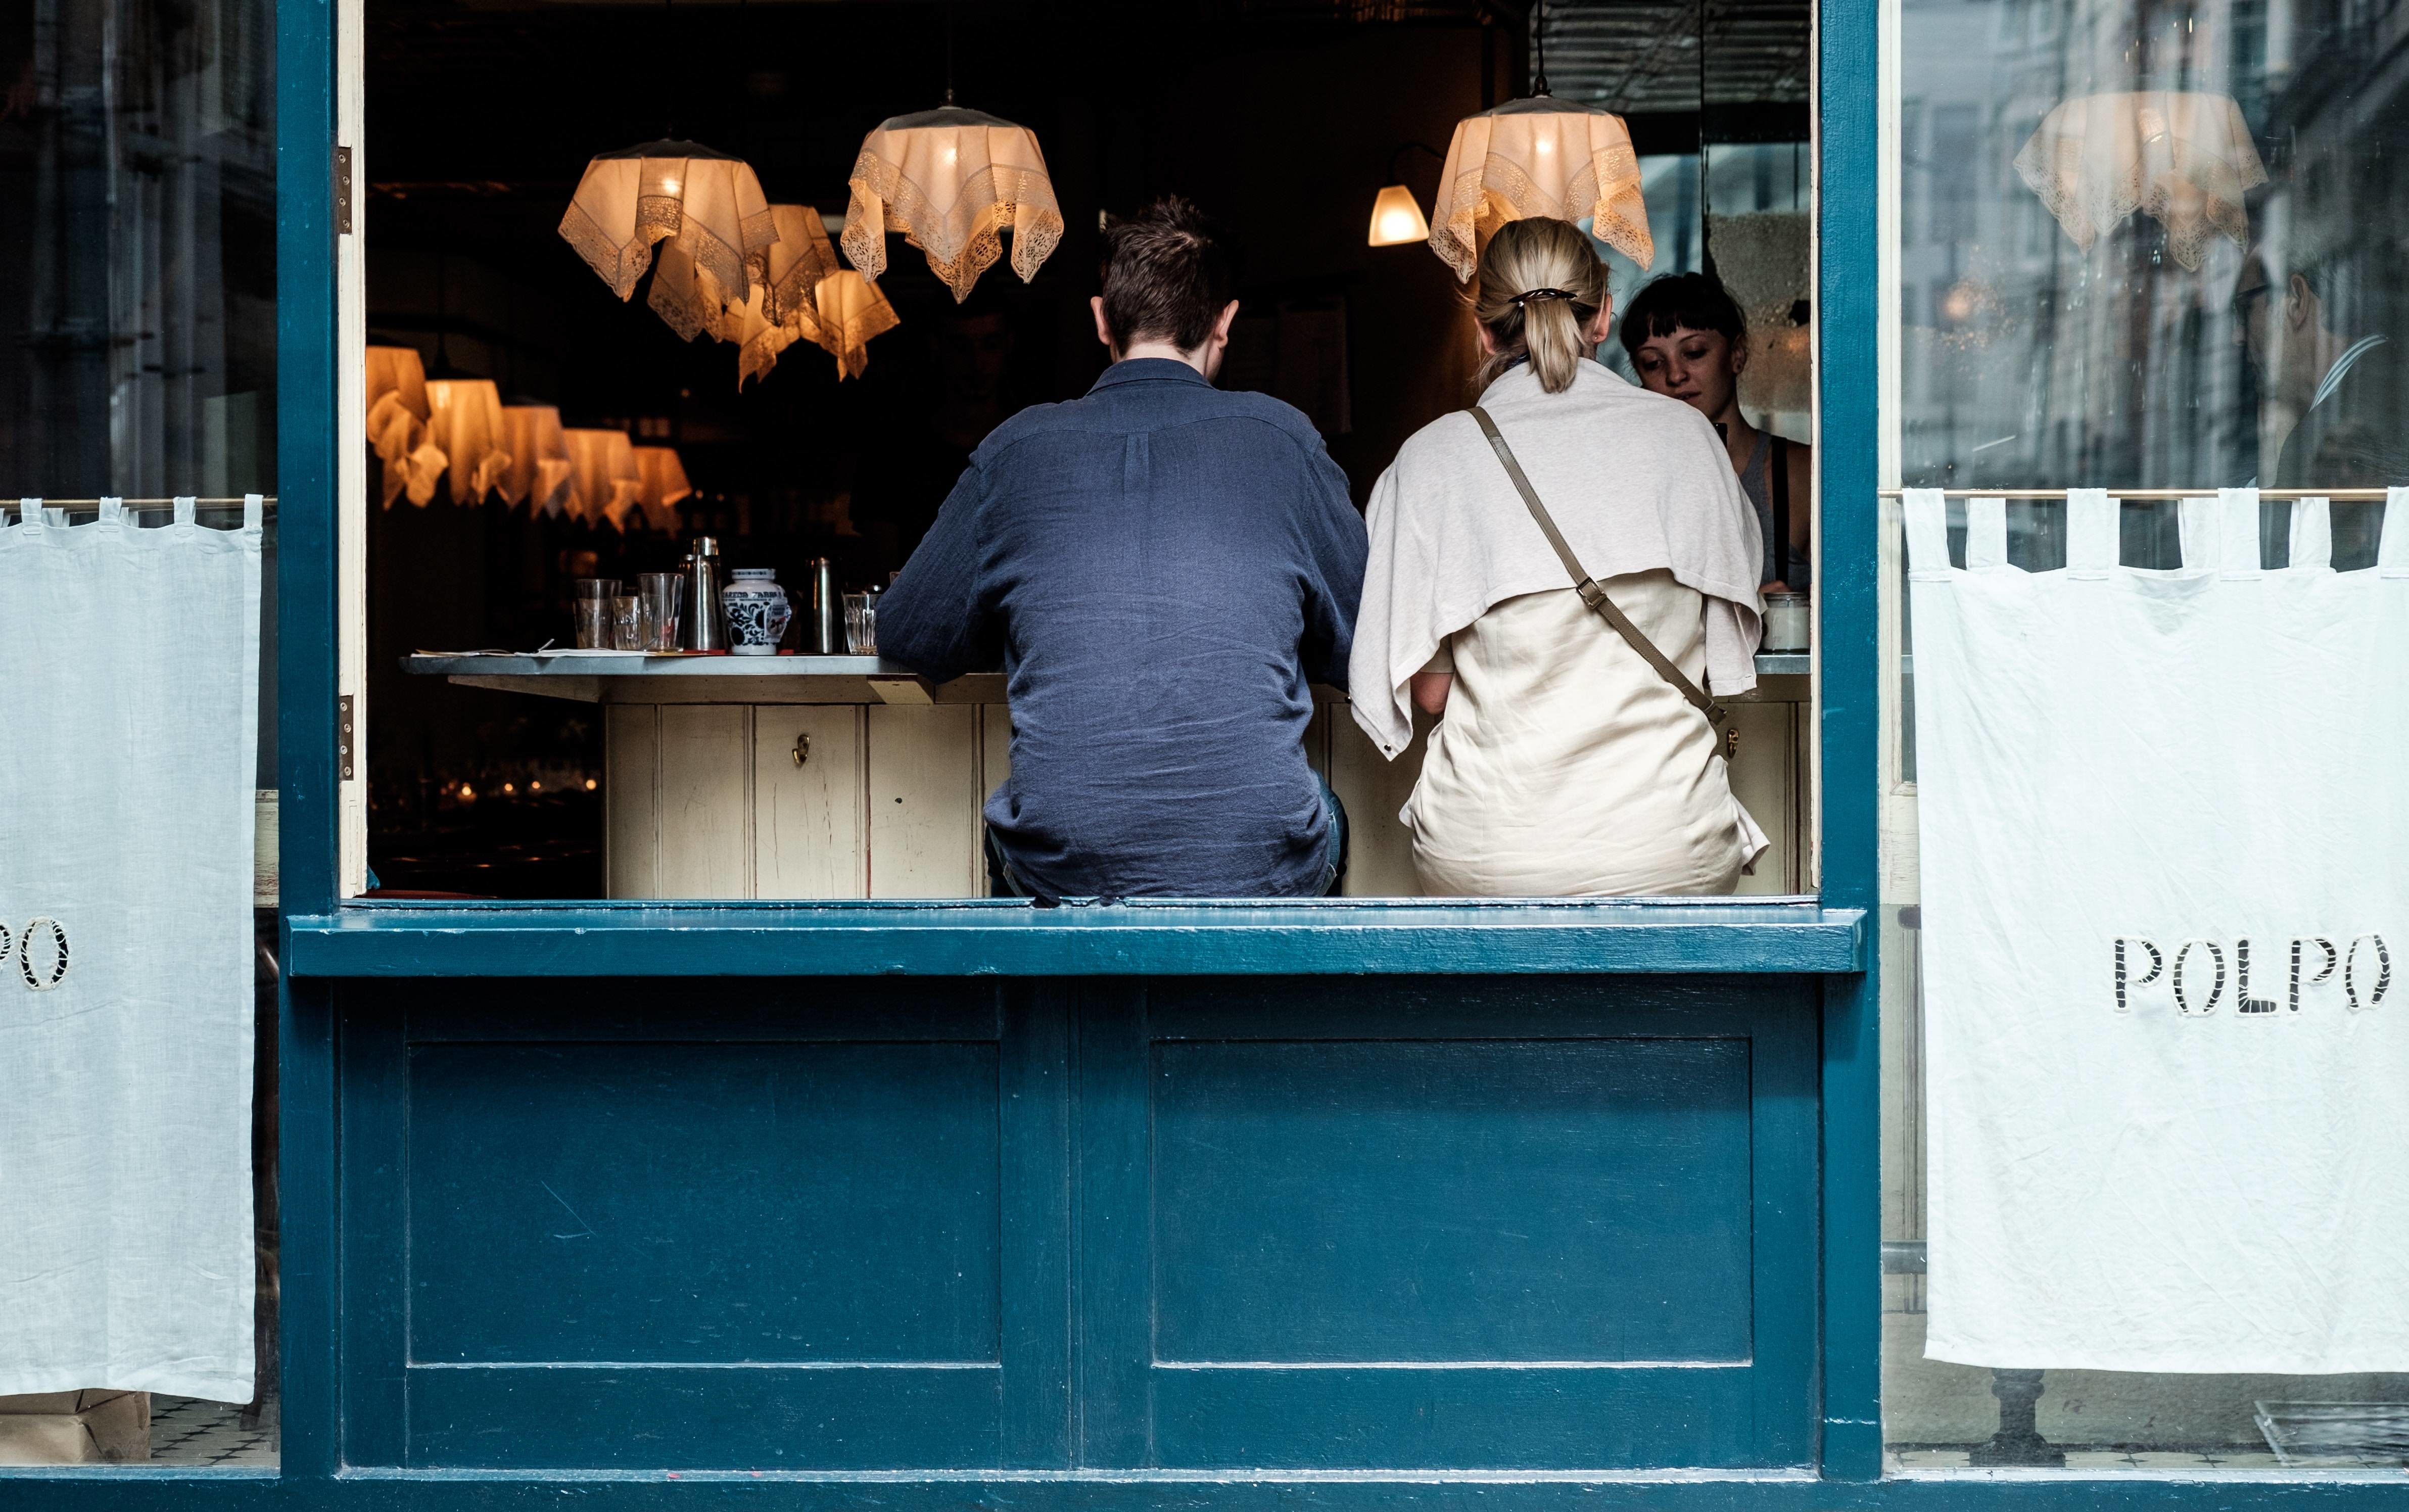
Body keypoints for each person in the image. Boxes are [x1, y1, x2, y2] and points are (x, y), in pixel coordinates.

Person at [877, 196, 1367, 899]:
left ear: (1101, 319)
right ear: (1226, 322)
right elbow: (1365, 646)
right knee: (1322, 809)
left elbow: (908, 634)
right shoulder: (1286, 442)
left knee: (1013, 826)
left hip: (1057, 870)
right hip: (1258, 868)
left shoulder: (1012, 451)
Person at [1348, 218, 1767, 897]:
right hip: (1668, 841)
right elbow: (1724, 658)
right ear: (1602, 315)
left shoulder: (1428, 460)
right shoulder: (1689, 442)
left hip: (1489, 851)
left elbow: (1428, 692)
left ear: (1482, 329)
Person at [1618, 273, 1812, 592]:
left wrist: (1798, 610)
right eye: (1653, 363)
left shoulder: (1802, 473)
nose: (1676, 375)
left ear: (1737, 355)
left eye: (1694, 353)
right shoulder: (1634, 482)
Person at [2234, 249, 2404, 565]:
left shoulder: (2340, 426)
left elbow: (2278, 553)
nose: (2237, 336)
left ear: (2297, 301)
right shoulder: (2383, 383)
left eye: (2244, 309)